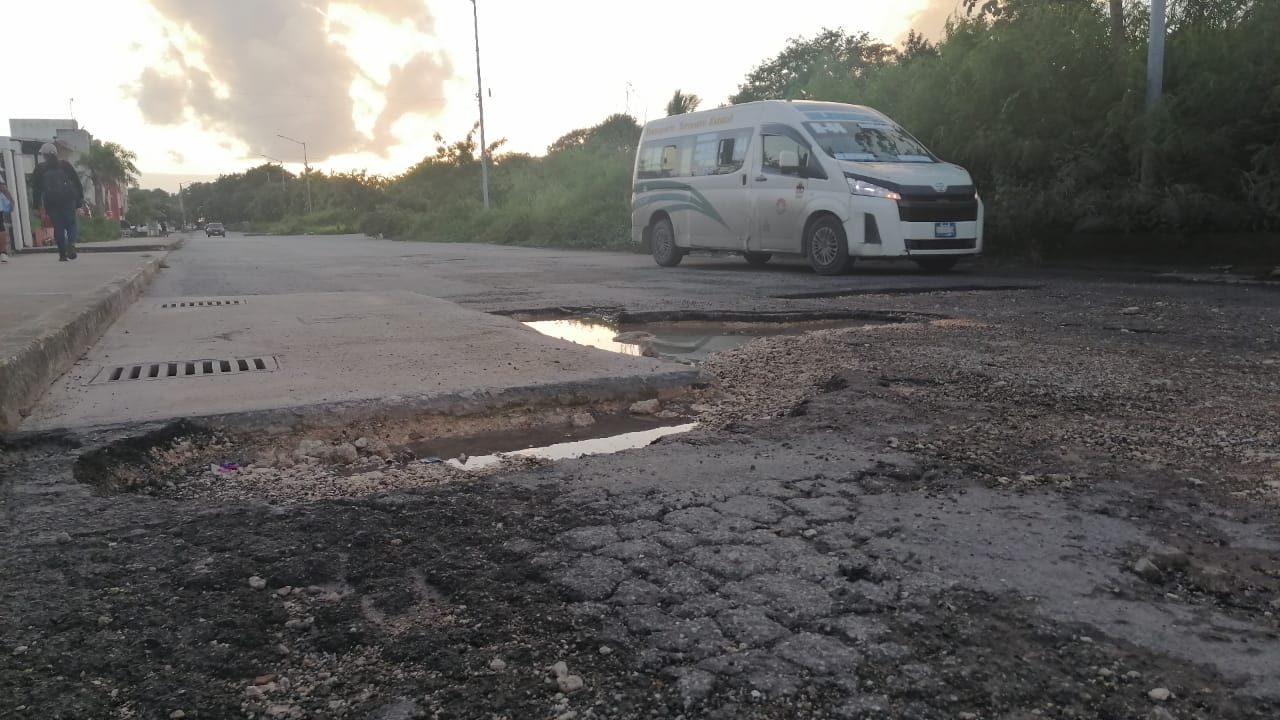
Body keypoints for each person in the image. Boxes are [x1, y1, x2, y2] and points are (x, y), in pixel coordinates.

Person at [31, 143, 85, 261]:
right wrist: (79, 200)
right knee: (71, 224)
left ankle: (62, 254)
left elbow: (36, 189)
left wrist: (36, 206)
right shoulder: (65, 165)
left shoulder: (40, 168)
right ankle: (71, 244)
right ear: (56, 153)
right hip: (68, 199)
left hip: (51, 202)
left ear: (44, 155)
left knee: (58, 226)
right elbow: (76, 182)